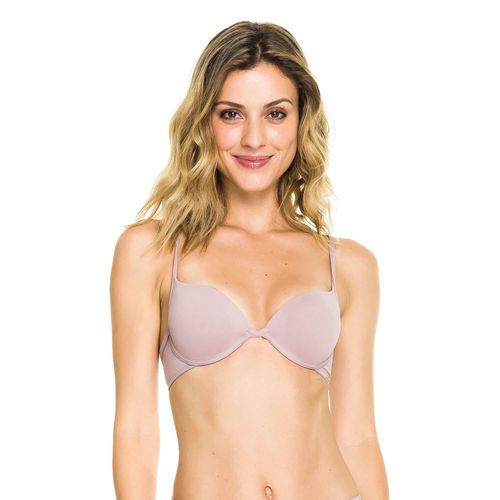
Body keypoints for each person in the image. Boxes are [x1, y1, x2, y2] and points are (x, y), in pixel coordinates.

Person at [110, 20, 389, 500]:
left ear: (301, 121)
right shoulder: (153, 251)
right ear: (204, 122)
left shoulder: (349, 267)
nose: (255, 139)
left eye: (276, 114)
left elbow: (357, 434)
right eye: (232, 114)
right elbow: (136, 429)